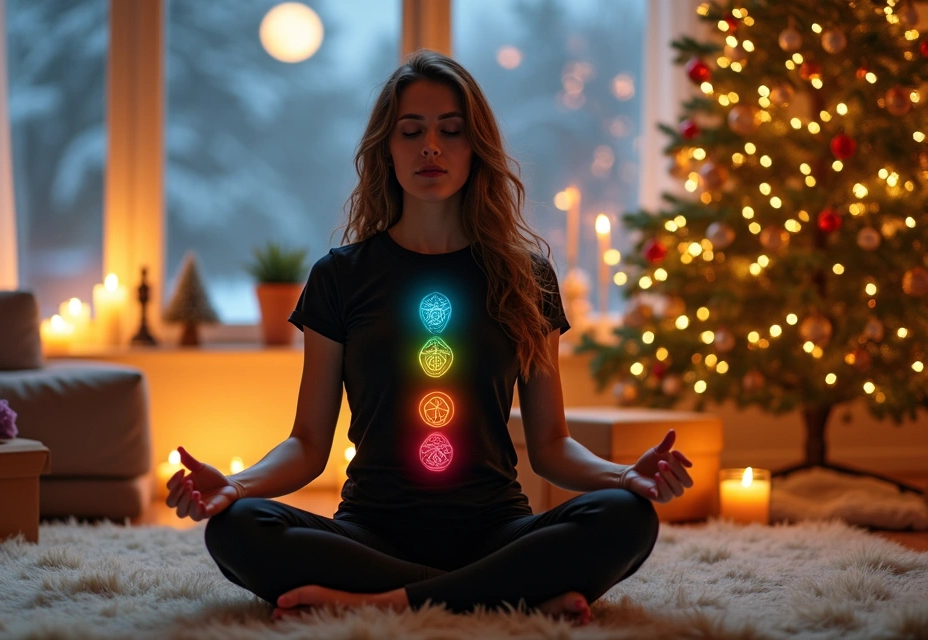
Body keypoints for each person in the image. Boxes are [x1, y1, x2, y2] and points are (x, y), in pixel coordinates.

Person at [165, 49, 695, 625]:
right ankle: (502, 596)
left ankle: (384, 602)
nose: (431, 147)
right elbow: (308, 445)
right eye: (411, 131)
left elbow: (551, 447)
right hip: (371, 533)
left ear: (477, 149)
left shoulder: (527, 277)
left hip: (497, 529)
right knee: (237, 530)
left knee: (628, 517)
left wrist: (626, 476)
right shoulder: (339, 276)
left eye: (451, 131)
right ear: (385, 151)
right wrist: (236, 485)